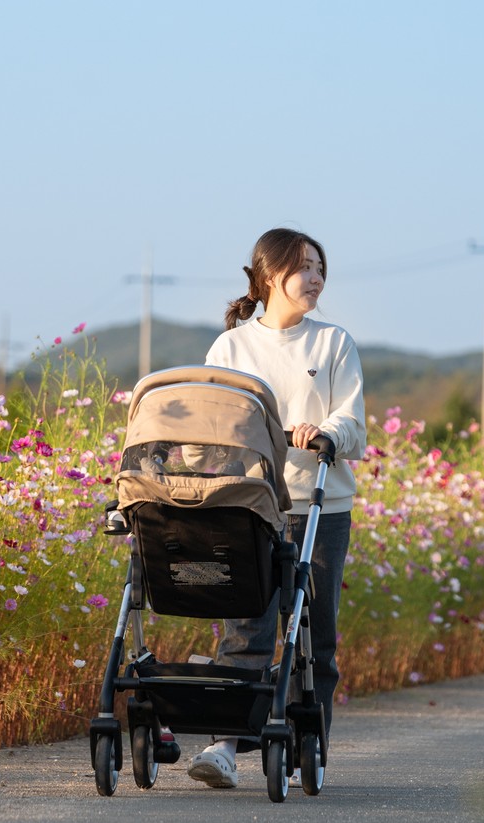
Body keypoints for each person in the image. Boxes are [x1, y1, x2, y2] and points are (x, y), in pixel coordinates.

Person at [187, 227, 366, 789]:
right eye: (303, 267)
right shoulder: (232, 348)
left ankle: (304, 743)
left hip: (321, 505)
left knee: (315, 632)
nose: (314, 278)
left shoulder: (333, 343)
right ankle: (223, 747)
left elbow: (354, 424)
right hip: (249, 503)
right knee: (247, 626)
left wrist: (325, 433)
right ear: (268, 276)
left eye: (319, 268)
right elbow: (209, 422)